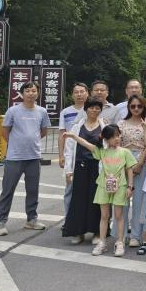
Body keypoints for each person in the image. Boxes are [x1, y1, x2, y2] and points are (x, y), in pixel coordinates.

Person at [62, 124, 136, 256]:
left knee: (119, 216)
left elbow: (129, 170)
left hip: (120, 187)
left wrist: (130, 187)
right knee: (104, 216)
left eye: (118, 135)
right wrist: (73, 136)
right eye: (113, 137)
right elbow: (86, 144)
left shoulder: (125, 152)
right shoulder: (102, 151)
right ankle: (102, 242)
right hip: (103, 186)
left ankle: (120, 242)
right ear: (106, 139)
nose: (117, 138)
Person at [0, 82, 50, 236]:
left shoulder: (42, 111)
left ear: (38, 93)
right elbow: (5, 132)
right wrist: (15, 144)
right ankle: (1, 222)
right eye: (27, 91)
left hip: (34, 157)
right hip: (15, 157)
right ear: (22, 93)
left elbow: (43, 131)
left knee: (33, 190)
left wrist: (31, 140)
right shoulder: (13, 110)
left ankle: (31, 220)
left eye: (34, 90)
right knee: (8, 190)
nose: (31, 93)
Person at [62, 98, 107, 243]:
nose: (94, 110)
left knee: (97, 200)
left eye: (97, 108)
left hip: (98, 168)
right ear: (86, 109)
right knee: (78, 200)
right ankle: (78, 232)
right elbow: (69, 149)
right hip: (80, 167)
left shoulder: (105, 127)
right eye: (91, 107)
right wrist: (68, 170)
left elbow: (107, 149)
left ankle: (97, 233)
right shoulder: (77, 127)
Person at [118, 94, 146, 247]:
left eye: (139, 106)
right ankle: (121, 234)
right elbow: (117, 144)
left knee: (139, 201)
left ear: (143, 107)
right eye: (133, 106)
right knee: (122, 199)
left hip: (141, 162)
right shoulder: (121, 124)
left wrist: (140, 163)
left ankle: (136, 236)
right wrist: (124, 164)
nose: (136, 109)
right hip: (123, 162)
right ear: (128, 107)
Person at [59, 82, 89, 214]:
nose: (79, 94)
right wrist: (61, 155)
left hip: (88, 153)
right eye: (76, 92)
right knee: (70, 186)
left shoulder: (92, 109)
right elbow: (62, 134)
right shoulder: (65, 112)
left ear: (87, 93)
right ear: (72, 95)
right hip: (71, 153)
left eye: (82, 91)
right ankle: (68, 217)